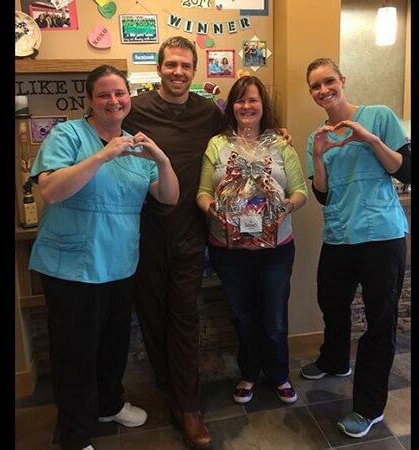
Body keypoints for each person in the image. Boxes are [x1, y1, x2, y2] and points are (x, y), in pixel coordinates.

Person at [122, 36, 292, 450]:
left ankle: (189, 407)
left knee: (184, 317)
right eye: (170, 65)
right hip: (140, 232)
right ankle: (168, 388)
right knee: (151, 316)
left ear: (194, 71)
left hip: (189, 234)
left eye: (185, 65)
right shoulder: (135, 109)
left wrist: (275, 134)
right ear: (159, 68)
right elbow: (102, 134)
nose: (177, 72)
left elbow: (239, 140)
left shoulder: (207, 113)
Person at [28, 65, 179, 450]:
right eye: (104, 95)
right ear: (89, 101)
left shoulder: (135, 145)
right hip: (72, 267)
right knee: (75, 353)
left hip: (119, 263)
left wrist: (160, 158)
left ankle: (108, 404)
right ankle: (75, 435)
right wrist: (102, 155)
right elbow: (50, 191)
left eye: (120, 93)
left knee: (114, 344)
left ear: (129, 97)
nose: (114, 101)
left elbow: (169, 196)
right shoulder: (68, 135)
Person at [300, 58, 411, 438]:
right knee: (330, 301)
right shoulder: (317, 136)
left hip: (381, 235)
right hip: (339, 236)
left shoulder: (378, 117)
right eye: (315, 86)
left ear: (342, 80)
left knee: (379, 322)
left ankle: (369, 407)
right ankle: (334, 360)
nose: (323, 90)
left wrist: (371, 139)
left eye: (328, 81)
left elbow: (406, 170)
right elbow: (323, 195)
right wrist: (317, 155)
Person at [196, 75, 308, 406]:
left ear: (263, 106)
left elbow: (300, 190)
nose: (247, 106)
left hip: (275, 248)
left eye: (253, 100)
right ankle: (248, 372)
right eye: (240, 100)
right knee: (242, 315)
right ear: (232, 106)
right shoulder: (217, 144)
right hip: (228, 248)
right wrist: (212, 210)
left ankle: (278, 374)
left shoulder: (281, 144)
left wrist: (288, 206)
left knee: (273, 316)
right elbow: (203, 191)